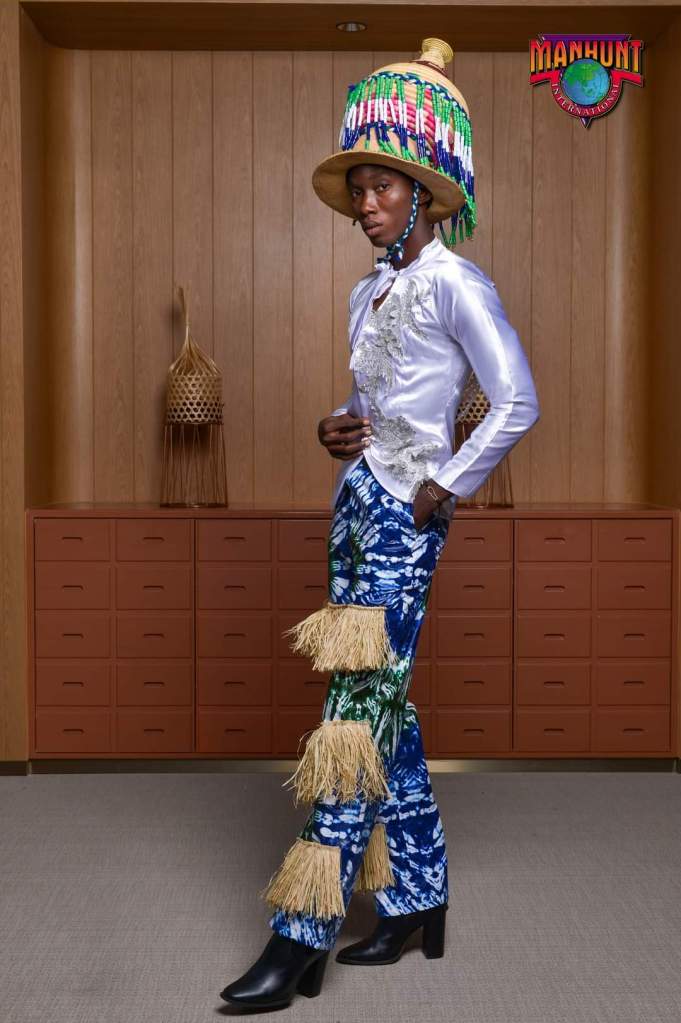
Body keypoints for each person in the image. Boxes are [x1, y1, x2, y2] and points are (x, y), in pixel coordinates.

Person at [220, 36, 540, 1012]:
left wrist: (446, 483)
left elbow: (516, 399)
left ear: (424, 196)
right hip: (356, 509)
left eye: (381, 188)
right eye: (358, 189)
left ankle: (302, 931)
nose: (365, 204)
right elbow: (376, 400)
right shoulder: (369, 290)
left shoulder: (456, 282)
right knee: (385, 706)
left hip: (405, 520)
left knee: (352, 716)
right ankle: (416, 898)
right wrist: (335, 427)